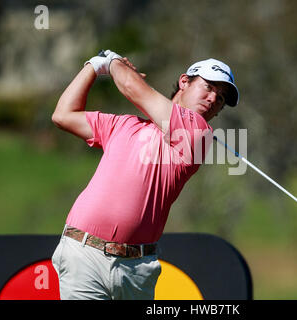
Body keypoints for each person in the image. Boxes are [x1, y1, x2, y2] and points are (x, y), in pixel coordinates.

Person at [51, 49, 239, 300]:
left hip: (136, 268)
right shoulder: (124, 124)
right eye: (209, 87)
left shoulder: (197, 134)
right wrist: (94, 66)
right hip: (83, 255)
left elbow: (130, 85)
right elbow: (63, 115)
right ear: (185, 82)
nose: (214, 98)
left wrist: (111, 60)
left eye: (221, 97)